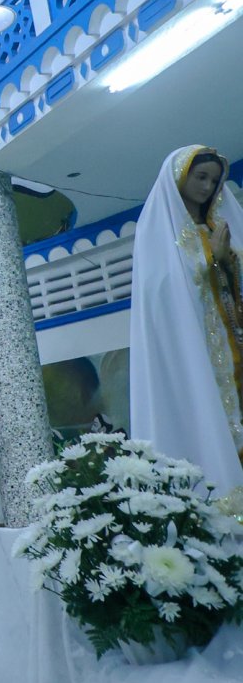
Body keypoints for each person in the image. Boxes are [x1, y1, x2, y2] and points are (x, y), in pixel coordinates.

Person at [130, 146, 243, 492]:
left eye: (214, 180)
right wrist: (213, 261)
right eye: (200, 177)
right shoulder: (158, 235)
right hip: (197, 355)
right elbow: (165, 295)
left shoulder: (220, 228)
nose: (207, 187)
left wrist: (227, 263)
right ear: (180, 178)